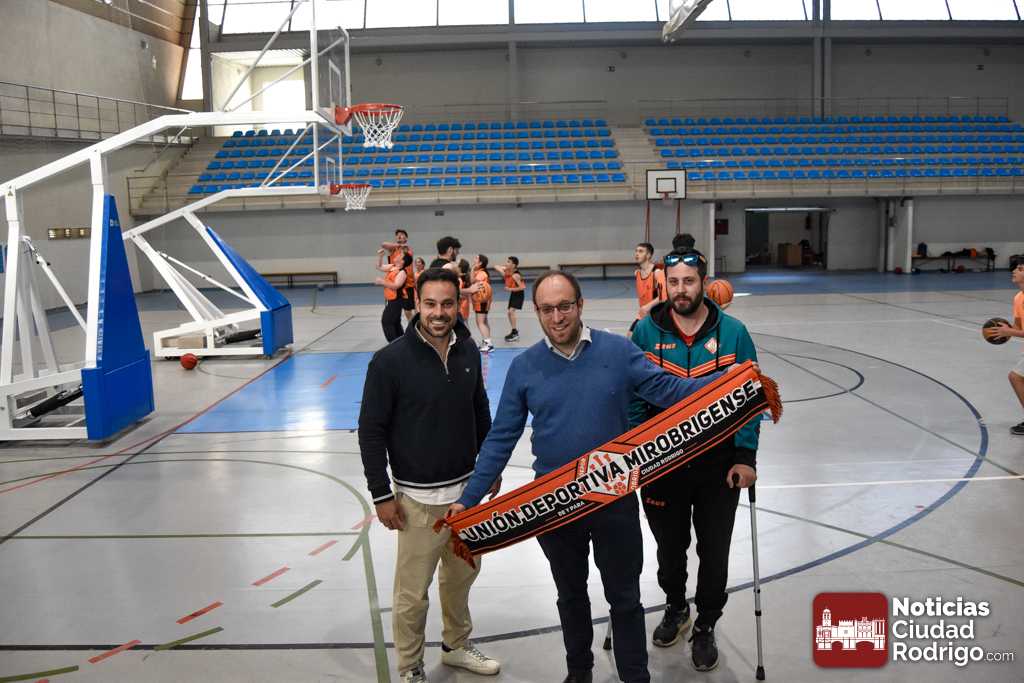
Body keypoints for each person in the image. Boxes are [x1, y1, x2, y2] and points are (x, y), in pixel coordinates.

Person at [448, 271, 721, 683]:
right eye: (547, 309)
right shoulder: (524, 367)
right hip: (556, 506)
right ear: (536, 311)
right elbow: (501, 438)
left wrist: (728, 381)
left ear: (580, 305)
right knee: (571, 596)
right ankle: (579, 674)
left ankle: (635, 676)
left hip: (614, 502)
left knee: (625, 599)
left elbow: (670, 390)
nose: (557, 317)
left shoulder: (618, 351)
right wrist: (468, 499)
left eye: (564, 306)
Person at [358, 267, 501, 683]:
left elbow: (480, 410)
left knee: (460, 580)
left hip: (467, 499)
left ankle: (456, 646)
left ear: (459, 305)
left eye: (447, 304)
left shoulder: (468, 350)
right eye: (430, 304)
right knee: (411, 594)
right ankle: (410, 666)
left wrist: (488, 468)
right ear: (417, 304)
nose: (439, 313)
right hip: (417, 504)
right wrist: (381, 494)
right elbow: (371, 431)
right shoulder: (389, 362)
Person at [628, 248, 759, 672]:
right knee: (669, 548)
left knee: (714, 550)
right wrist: (635, 451)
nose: (681, 290)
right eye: (674, 282)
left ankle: (706, 623)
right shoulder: (645, 333)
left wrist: (745, 456)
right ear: (664, 284)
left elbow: (750, 399)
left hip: (718, 466)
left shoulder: (734, 333)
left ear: (704, 282)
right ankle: (676, 606)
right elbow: (633, 396)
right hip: (661, 464)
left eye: (689, 281)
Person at [984, 256, 1024, 435]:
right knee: (1016, 377)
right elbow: (1019, 328)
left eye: (1020, 269)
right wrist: (1005, 331)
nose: (1014, 271)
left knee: (1016, 377)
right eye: (1015, 268)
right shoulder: (1018, 298)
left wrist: (1009, 332)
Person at [630, 242, 666, 335]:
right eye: (636, 251)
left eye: (641, 251)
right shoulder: (637, 273)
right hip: (644, 314)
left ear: (649, 255)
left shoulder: (657, 273)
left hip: (657, 315)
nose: (637, 254)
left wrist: (647, 307)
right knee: (630, 336)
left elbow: (663, 297)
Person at [375, 250, 411, 342]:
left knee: (387, 321)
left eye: (400, 255)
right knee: (395, 322)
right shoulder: (392, 267)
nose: (397, 255)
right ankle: (401, 343)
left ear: (402, 261)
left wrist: (382, 282)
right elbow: (379, 266)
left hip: (396, 301)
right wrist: (380, 256)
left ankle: (394, 343)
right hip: (390, 300)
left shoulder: (402, 272)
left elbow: (396, 285)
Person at [382, 228, 416, 322]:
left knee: (409, 310)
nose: (399, 236)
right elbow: (383, 244)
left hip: (407, 284)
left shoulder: (408, 249)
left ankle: (413, 326)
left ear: (406, 238)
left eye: (402, 234)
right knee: (394, 309)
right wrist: (398, 245)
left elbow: (409, 267)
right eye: (397, 235)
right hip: (394, 284)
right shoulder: (393, 249)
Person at [500, 256, 526, 342]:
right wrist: (505, 268)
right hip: (514, 294)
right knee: (509, 313)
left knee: (511, 311)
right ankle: (514, 330)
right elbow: (496, 266)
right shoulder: (510, 272)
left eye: (508, 262)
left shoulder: (516, 275)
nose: (506, 263)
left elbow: (522, 287)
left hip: (518, 295)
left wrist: (510, 289)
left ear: (514, 265)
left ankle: (515, 333)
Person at [472, 254, 494, 353]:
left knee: (480, 322)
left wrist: (472, 269)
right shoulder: (481, 272)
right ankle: (487, 342)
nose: (474, 259)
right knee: (484, 321)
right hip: (484, 300)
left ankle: (488, 344)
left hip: (481, 300)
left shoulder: (481, 273)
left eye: (476, 258)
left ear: (480, 262)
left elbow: (472, 281)